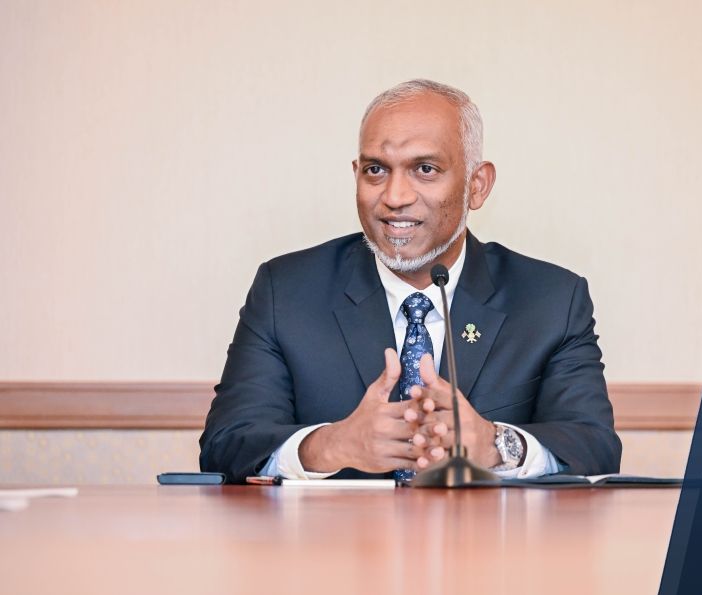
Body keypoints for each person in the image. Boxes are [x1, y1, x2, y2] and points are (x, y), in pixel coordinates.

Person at [199, 79, 620, 482]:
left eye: (425, 169)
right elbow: (225, 444)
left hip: (486, 534)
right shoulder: (286, 291)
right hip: (335, 533)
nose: (395, 196)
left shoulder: (551, 301)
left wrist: (495, 445)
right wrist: (331, 446)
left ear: (476, 185)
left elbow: (595, 447)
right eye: (375, 170)